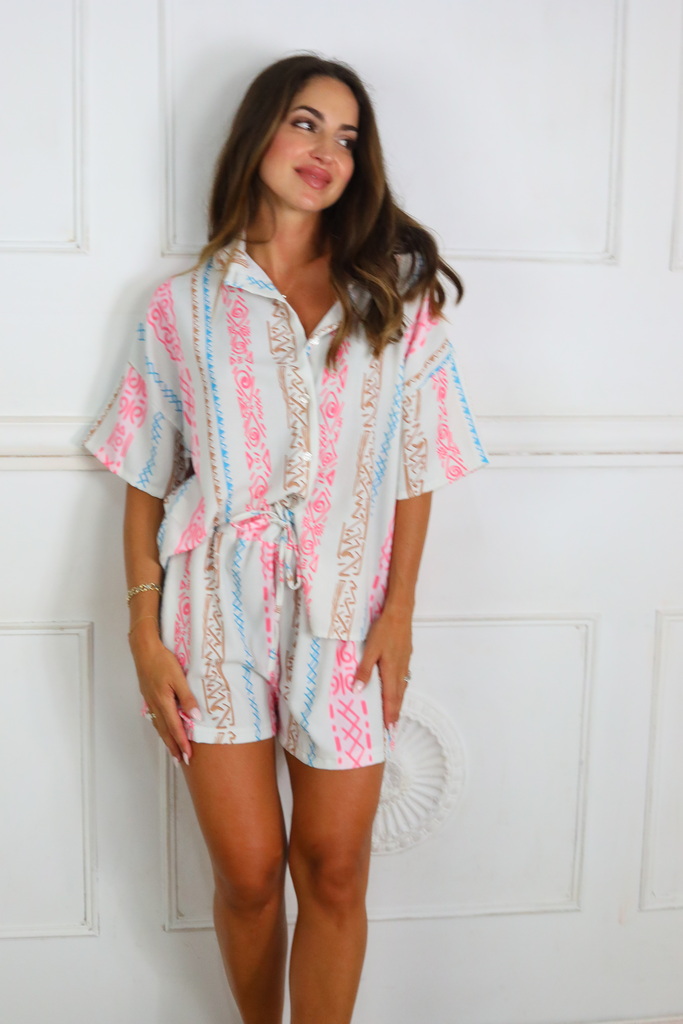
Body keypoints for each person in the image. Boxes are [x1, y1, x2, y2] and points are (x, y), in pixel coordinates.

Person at [85, 53, 487, 1024]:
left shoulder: (393, 299)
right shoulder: (181, 308)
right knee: (250, 874)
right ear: (257, 132)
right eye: (306, 123)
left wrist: (399, 613)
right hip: (209, 622)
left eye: (347, 138)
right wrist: (144, 635)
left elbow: (417, 465)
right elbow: (144, 475)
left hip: (347, 621)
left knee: (335, 869)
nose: (326, 152)